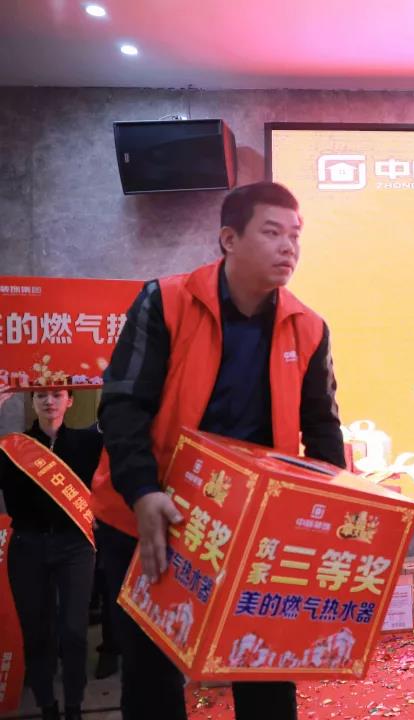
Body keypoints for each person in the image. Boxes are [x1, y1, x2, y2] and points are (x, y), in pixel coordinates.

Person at [91, 181, 346, 720]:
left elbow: (323, 430)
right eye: (272, 232)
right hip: (149, 517)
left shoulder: (308, 327)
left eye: (295, 235)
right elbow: (122, 404)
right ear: (229, 239)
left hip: (253, 530)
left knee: (264, 669)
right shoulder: (166, 301)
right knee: (152, 675)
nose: (288, 247)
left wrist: (331, 519)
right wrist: (142, 492)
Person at [0, 385, 102, 720]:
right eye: (41, 394)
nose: (49, 401)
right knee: (37, 633)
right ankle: (47, 706)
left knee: (73, 633)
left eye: (57, 394)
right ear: (32, 401)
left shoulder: (88, 443)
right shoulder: (12, 448)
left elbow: (109, 478)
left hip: (75, 548)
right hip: (28, 547)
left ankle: (74, 707)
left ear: (70, 400)